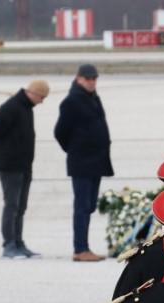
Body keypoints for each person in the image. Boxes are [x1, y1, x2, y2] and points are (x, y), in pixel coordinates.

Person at [0, 79, 49, 258]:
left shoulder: (26, 107)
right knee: (11, 205)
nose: (42, 101)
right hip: (9, 165)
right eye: (42, 97)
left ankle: (19, 243)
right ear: (33, 93)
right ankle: (9, 245)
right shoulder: (11, 107)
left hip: (24, 165)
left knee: (21, 207)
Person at [54, 63, 113, 261]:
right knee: (82, 206)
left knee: (89, 206)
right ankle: (80, 249)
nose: (92, 82)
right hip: (82, 162)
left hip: (96, 161)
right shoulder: (72, 101)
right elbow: (60, 131)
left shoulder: (93, 98)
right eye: (88, 78)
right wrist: (75, 149)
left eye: (94, 78)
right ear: (79, 78)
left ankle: (84, 248)